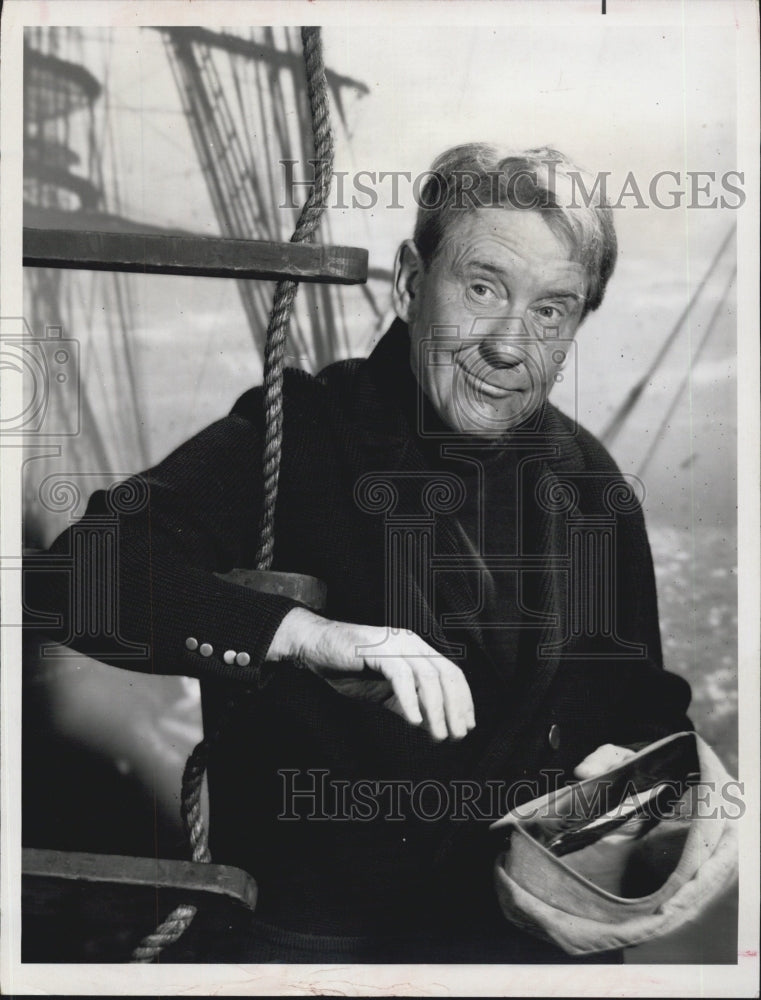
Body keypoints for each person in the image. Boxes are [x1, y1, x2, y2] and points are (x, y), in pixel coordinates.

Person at [26, 144, 692, 963]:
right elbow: (71, 580)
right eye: (483, 289)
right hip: (316, 958)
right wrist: (307, 634)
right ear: (412, 283)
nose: (510, 345)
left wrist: (631, 780)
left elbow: (643, 705)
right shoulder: (296, 431)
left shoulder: (591, 481)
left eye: (551, 310)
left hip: (529, 957)